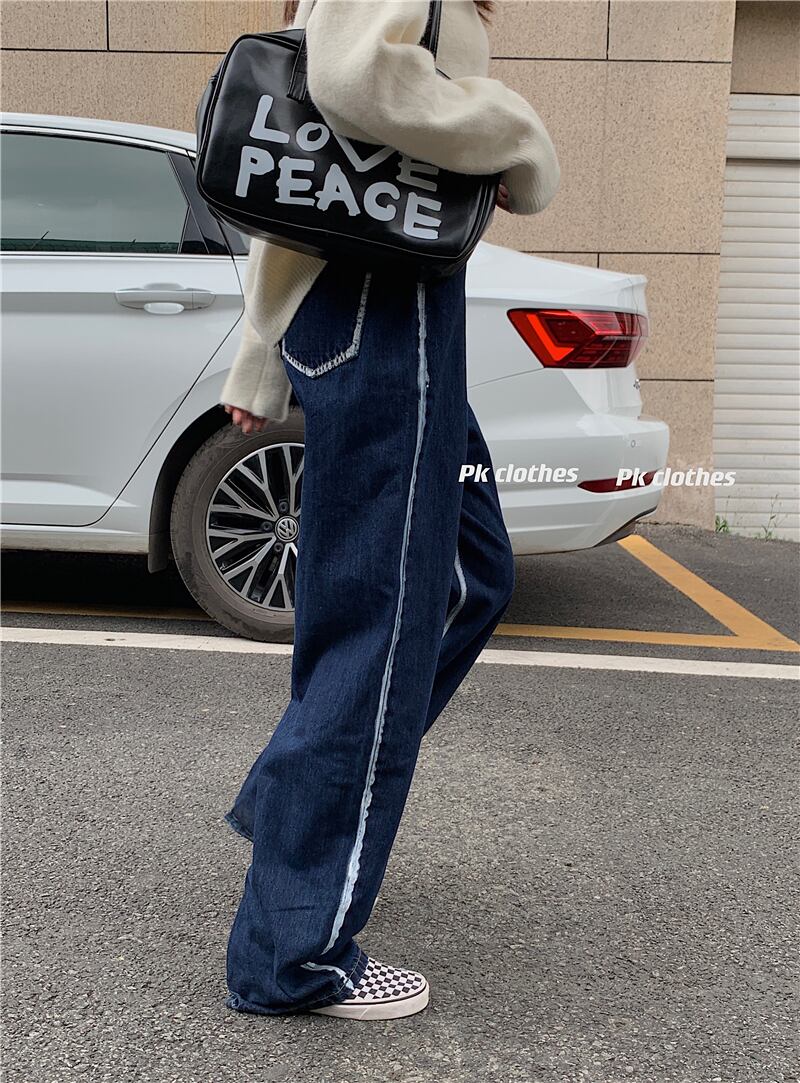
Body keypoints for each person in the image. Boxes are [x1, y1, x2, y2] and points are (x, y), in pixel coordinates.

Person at [219, 0, 560, 1021]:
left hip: (385, 308)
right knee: (381, 621)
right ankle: (294, 951)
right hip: (382, 311)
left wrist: (260, 349)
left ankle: (299, 808)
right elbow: (350, 84)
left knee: (467, 575)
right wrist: (512, 131)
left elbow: (307, 165)